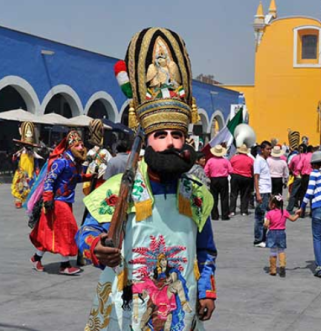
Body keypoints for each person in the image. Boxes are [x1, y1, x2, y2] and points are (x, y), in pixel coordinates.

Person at [76, 27, 217, 330]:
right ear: (146, 139)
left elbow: (205, 249)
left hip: (182, 303)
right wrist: (96, 245)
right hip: (125, 305)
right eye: (160, 135)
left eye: (176, 135)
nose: (169, 142)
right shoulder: (118, 188)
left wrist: (207, 290)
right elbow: (86, 232)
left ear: (185, 140)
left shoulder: (197, 194)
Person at [29, 130, 89, 275]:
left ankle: (36, 258)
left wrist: (90, 177)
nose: (82, 148)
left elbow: (74, 179)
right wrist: (48, 198)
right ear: (70, 147)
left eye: (82, 145)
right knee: (68, 230)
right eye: (78, 145)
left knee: (51, 231)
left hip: (67, 201)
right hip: (57, 202)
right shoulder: (61, 161)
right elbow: (50, 179)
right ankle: (65, 265)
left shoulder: (73, 163)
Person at [264, 194, 299, 277]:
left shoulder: (269, 213)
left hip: (272, 233)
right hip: (281, 233)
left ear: (273, 204)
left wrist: (265, 225)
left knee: (273, 251)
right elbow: (293, 219)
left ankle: (273, 269)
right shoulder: (284, 212)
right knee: (281, 251)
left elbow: (266, 224)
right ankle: (282, 266)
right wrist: (298, 214)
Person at [11, 121, 43, 208]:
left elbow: (36, 163)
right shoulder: (20, 152)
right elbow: (14, 159)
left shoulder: (33, 154)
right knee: (18, 187)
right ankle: (18, 201)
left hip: (30, 173)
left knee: (31, 188)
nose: (28, 148)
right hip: (21, 172)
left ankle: (30, 202)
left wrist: (37, 171)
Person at [82, 118, 112, 196]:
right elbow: (111, 166)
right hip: (102, 182)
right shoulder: (105, 152)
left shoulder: (90, 152)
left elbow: (84, 168)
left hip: (92, 181)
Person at [205, 144, 233, 220]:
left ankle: (214, 215)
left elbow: (206, 171)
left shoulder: (210, 161)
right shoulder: (225, 161)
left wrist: (209, 177)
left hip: (213, 179)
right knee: (224, 198)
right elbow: (231, 171)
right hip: (223, 180)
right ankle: (225, 215)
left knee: (214, 198)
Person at [254, 140, 272, 248]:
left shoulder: (265, 160)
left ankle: (264, 236)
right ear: (262, 149)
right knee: (259, 216)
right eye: (267, 149)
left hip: (267, 190)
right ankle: (258, 239)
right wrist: (258, 193)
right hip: (262, 190)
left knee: (268, 214)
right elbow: (256, 177)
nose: (269, 151)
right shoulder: (258, 161)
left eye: (270, 149)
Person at [229, 144, 254, 216]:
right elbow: (252, 169)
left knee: (234, 194)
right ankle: (244, 211)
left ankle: (232, 210)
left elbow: (230, 167)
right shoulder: (250, 159)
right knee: (245, 194)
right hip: (246, 177)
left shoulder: (234, 158)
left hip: (235, 176)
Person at [286, 143, 306, 211]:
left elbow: (290, 167)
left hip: (297, 176)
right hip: (305, 177)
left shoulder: (294, 157)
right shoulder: (307, 157)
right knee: (303, 193)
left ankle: (290, 208)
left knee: (293, 193)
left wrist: (294, 171)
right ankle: (302, 209)